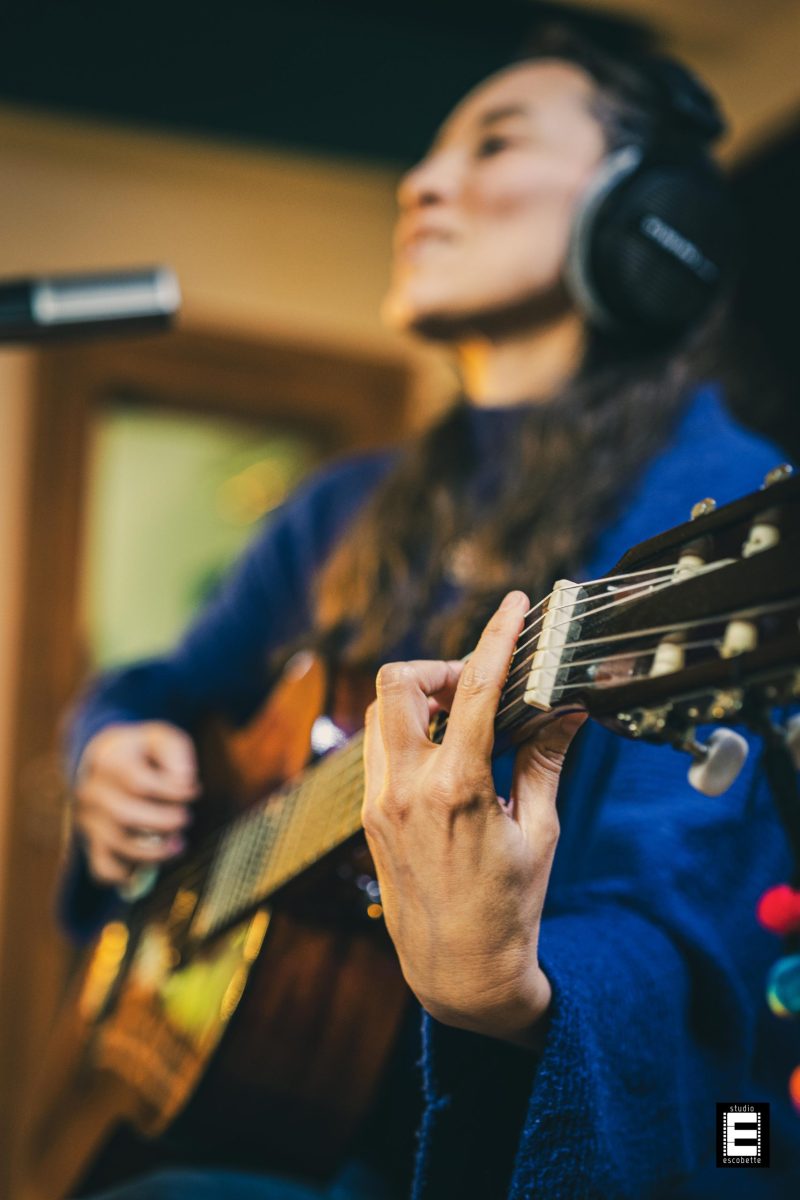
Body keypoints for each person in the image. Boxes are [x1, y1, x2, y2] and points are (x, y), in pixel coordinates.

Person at [63, 19, 800, 1200]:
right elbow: (166, 687)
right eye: (425, 156)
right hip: (275, 1102)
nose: (418, 184)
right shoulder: (341, 506)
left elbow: (685, 947)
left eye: (493, 144)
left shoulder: (716, 511)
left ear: (643, 218)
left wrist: (507, 990)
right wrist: (109, 744)